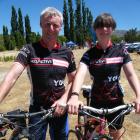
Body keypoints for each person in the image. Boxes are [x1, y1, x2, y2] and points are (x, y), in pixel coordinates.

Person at [0, 7, 76, 140]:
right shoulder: (29, 49)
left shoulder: (67, 53)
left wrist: (64, 100)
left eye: (55, 25)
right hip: (37, 109)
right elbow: (12, 76)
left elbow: (73, 80)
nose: (51, 29)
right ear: (40, 24)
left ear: (60, 27)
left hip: (60, 108)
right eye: (47, 24)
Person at [67, 13, 140, 140]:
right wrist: (74, 96)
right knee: (93, 136)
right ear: (95, 30)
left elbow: (130, 74)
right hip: (95, 104)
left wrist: (139, 96)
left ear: (112, 29)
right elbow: (80, 74)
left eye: (107, 25)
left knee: (116, 136)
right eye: (100, 26)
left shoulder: (121, 51)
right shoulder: (89, 54)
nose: (104, 29)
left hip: (116, 104)